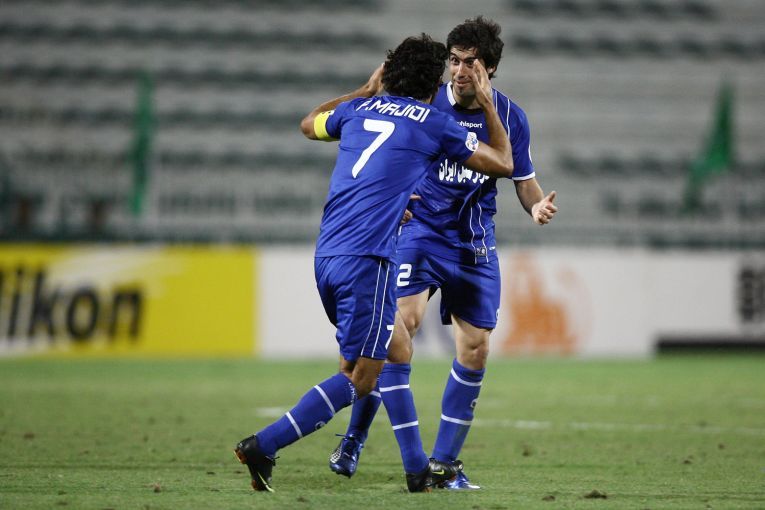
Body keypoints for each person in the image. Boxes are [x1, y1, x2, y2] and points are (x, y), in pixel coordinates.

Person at [234, 33, 515, 493]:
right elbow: (502, 162)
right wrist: (486, 103)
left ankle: (416, 469)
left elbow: (308, 124)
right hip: (369, 260)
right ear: (434, 84)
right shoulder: (433, 122)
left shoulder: (357, 110)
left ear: (389, 75)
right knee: (362, 377)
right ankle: (264, 444)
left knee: (391, 352)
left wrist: (364, 90)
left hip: (328, 255)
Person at [328, 17, 558, 490]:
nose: (459, 70)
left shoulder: (511, 117)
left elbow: (523, 180)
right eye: (454, 60)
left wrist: (536, 207)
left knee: (476, 349)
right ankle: (353, 438)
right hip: (421, 232)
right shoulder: (425, 102)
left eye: (470, 63)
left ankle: (445, 464)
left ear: (490, 68)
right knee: (396, 330)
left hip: (473, 242)